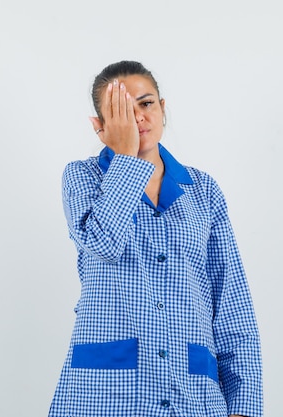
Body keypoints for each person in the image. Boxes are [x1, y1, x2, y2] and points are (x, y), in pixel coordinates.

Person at [48, 60, 263, 417]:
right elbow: (104, 243)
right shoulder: (82, 177)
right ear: (100, 128)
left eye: (146, 104)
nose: (137, 119)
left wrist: (243, 404)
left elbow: (232, 303)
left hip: (193, 394)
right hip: (106, 396)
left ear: (163, 108)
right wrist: (127, 158)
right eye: (120, 113)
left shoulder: (203, 190)